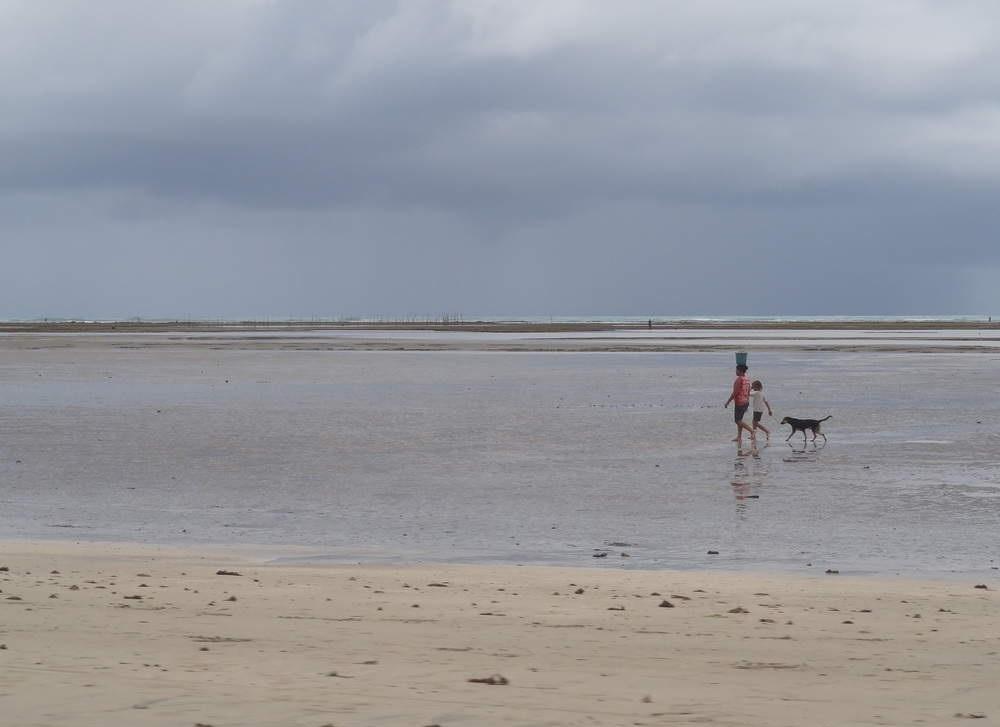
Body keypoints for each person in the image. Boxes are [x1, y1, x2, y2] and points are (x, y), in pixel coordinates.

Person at [724, 364, 755, 446]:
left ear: (740, 370)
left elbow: (735, 393)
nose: (735, 371)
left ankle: (752, 431)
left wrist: (728, 402)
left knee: (737, 421)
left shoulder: (739, 379)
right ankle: (739, 437)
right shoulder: (747, 379)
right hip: (745, 402)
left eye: (736, 370)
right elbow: (748, 392)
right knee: (739, 420)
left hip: (740, 402)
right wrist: (747, 402)